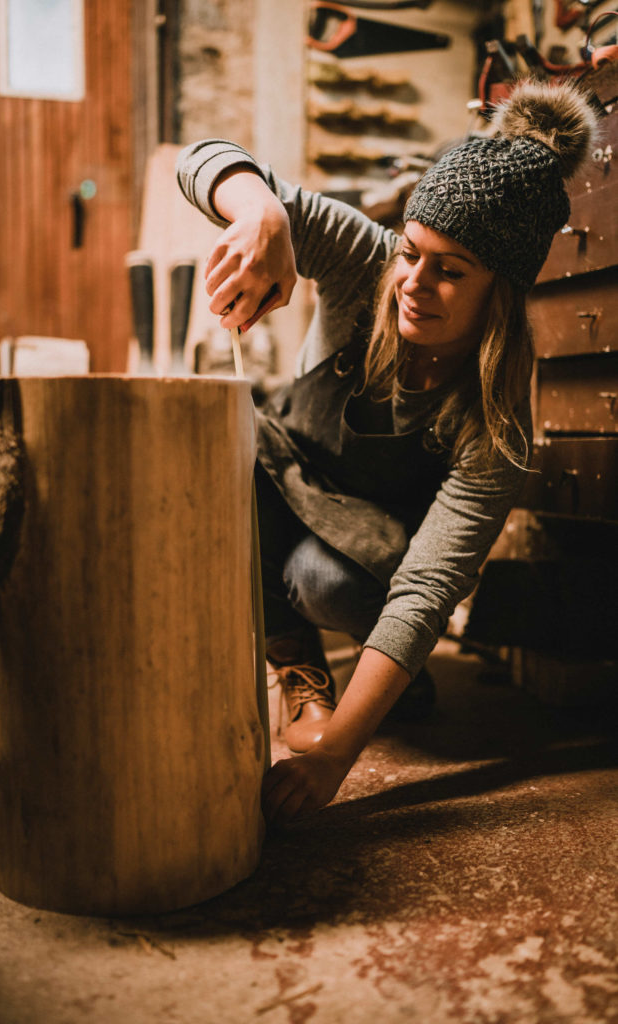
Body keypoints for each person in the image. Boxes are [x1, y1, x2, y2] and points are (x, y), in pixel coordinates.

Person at [176, 79, 598, 826]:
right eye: (411, 253)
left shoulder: (494, 419)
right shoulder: (364, 265)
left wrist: (333, 758)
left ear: (497, 293)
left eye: (449, 271)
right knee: (220, 452)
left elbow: (428, 584)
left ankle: (391, 677)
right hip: (283, 480)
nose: (412, 283)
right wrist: (263, 214)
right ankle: (295, 661)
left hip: (368, 556)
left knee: (321, 578)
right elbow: (202, 160)